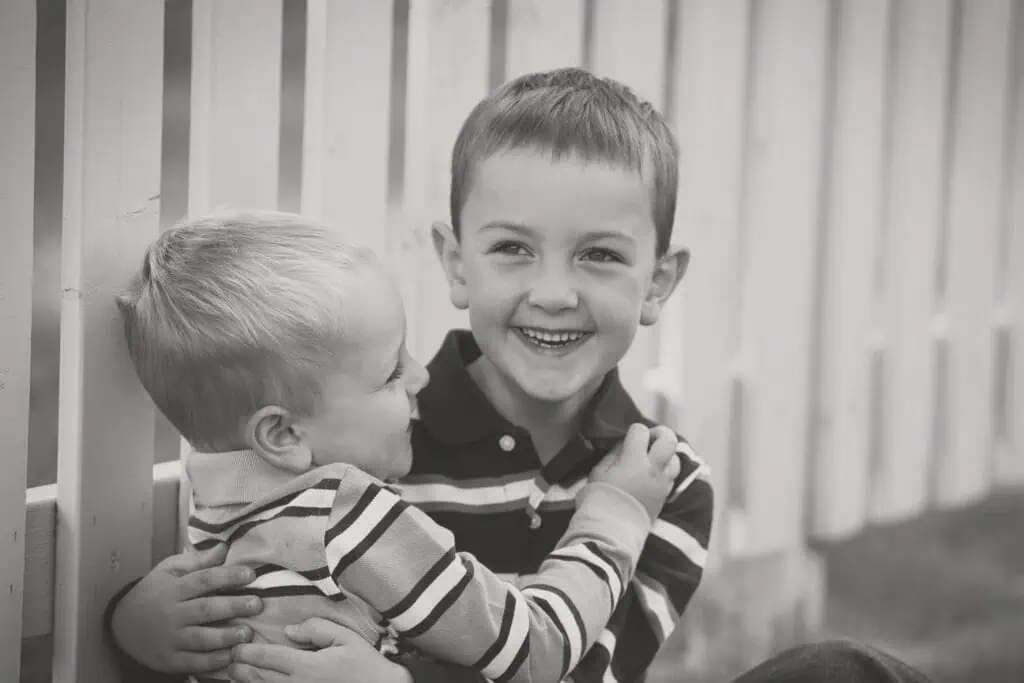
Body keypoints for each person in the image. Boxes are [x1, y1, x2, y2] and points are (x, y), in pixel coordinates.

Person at [105, 68, 933, 683]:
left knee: (844, 671)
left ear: (658, 282)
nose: (553, 291)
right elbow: (243, 574)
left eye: (600, 255)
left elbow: (577, 668)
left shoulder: (661, 481)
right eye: (512, 248)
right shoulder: (368, 434)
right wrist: (134, 622)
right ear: (454, 264)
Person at [114, 210, 684, 683]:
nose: (419, 378)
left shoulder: (220, 517)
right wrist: (613, 518)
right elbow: (536, 649)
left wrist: (124, 622)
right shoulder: (351, 519)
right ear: (283, 435)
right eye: (390, 372)